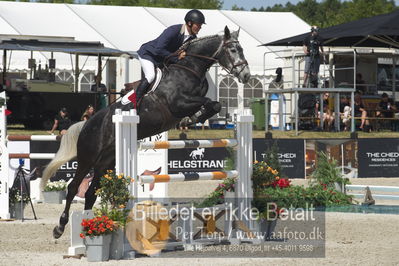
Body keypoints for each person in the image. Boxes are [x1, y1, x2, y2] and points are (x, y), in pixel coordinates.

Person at [132, 9, 205, 105]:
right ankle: (135, 103)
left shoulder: (193, 38)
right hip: (149, 55)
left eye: (201, 25)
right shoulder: (173, 31)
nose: (200, 27)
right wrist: (177, 57)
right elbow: (159, 49)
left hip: (163, 59)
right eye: (198, 24)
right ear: (190, 23)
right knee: (150, 76)